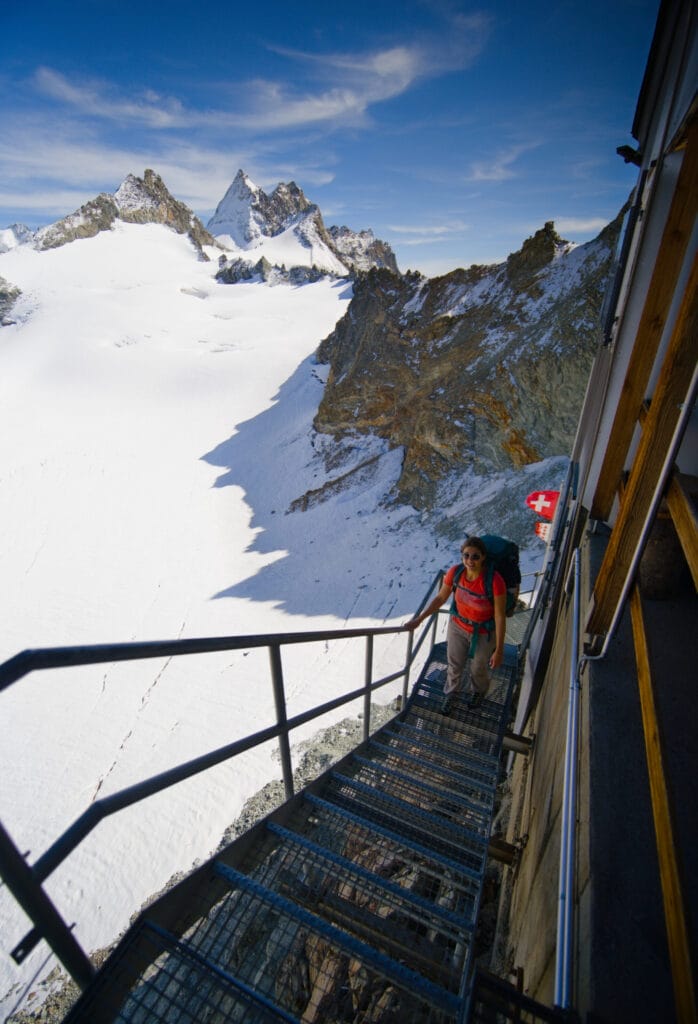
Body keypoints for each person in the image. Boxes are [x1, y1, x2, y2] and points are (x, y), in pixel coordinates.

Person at [404, 536, 506, 712]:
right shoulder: (455, 573)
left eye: (475, 556)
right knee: (454, 664)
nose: (470, 560)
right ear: (461, 556)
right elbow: (440, 598)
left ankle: (478, 691)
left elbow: (499, 616)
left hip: (484, 631)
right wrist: (420, 619)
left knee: (479, 666)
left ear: (483, 557)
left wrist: (499, 650)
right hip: (458, 626)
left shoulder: (495, 582)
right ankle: (451, 694)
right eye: (466, 555)